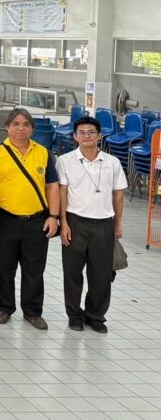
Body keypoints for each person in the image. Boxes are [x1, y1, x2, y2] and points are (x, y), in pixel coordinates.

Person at [0, 108, 60, 330]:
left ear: (32, 128)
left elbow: (52, 186)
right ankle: (4, 307)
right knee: (4, 267)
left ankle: (33, 311)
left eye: (26, 124)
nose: (21, 128)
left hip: (37, 220)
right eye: (15, 124)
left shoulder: (43, 152)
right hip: (5, 219)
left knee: (34, 269)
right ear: (7, 127)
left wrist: (53, 216)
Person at [58, 116, 126, 333]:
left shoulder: (112, 162)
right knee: (72, 273)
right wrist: (64, 223)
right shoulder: (65, 160)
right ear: (75, 136)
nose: (86, 136)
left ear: (99, 135)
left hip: (104, 223)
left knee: (101, 275)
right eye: (81, 132)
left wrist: (117, 224)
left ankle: (95, 315)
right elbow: (62, 193)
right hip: (75, 222)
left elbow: (118, 196)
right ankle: (74, 315)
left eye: (91, 132)